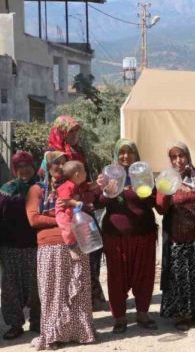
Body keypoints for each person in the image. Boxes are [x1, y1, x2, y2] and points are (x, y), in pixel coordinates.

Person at [26, 151, 96, 350]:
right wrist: (60, 219)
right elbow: (34, 219)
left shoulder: (73, 188)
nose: (59, 167)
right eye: (55, 163)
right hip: (51, 247)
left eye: (63, 163)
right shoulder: (37, 189)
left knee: (79, 289)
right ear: (47, 166)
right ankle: (53, 335)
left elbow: (86, 207)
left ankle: (79, 332)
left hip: (76, 243)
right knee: (52, 292)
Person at [95, 139, 158, 334]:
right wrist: (107, 192)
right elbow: (98, 203)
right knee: (117, 278)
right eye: (121, 152)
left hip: (144, 234)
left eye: (129, 152)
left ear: (136, 155)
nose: (125, 156)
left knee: (144, 276)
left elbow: (153, 202)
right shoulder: (108, 175)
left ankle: (142, 314)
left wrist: (145, 191)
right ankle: (120, 318)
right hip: (115, 237)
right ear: (116, 154)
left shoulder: (143, 174)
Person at [46, 115, 105, 308]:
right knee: (74, 258)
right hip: (67, 210)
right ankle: (75, 302)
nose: (74, 135)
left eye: (75, 131)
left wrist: (94, 187)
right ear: (60, 132)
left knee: (93, 251)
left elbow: (82, 180)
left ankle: (91, 295)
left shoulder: (77, 152)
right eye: (70, 131)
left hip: (83, 208)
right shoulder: (52, 156)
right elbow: (52, 186)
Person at [155, 142, 195, 331]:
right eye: (174, 157)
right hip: (176, 238)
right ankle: (182, 314)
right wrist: (169, 189)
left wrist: (191, 191)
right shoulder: (165, 178)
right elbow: (160, 208)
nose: (178, 160)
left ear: (188, 156)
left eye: (181, 155)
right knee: (179, 276)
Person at [0, 151, 41, 339]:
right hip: (10, 247)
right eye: (20, 166)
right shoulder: (6, 190)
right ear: (15, 169)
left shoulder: (41, 188)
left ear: (33, 166)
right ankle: (15, 324)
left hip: (36, 245)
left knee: (37, 286)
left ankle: (37, 321)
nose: (25, 169)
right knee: (10, 288)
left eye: (27, 165)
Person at [55, 160, 91, 260]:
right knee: (67, 228)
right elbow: (64, 200)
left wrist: (98, 183)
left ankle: (80, 243)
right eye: (84, 171)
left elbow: (89, 186)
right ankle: (71, 248)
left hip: (70, 211)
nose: (86, 173)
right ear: (77, 174)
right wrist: (75, 203)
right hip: (62, 213)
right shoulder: (67, 185)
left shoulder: (77, 186)